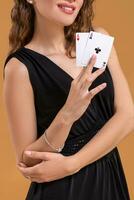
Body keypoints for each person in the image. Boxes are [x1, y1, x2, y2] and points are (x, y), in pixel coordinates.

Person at [3, 0, 134, 199]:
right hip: (63, 191)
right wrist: (66, 115)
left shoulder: (97, 40)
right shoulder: (19, 68)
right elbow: (28, 162)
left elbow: (127, 116)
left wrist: (73, 163)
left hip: (108, 181)